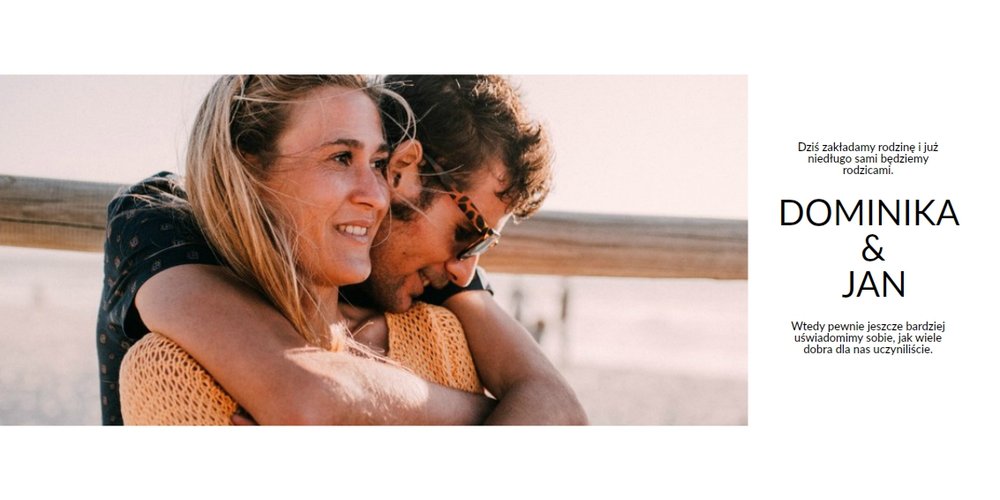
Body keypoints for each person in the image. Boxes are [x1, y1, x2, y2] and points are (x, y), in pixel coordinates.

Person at [98, 75, 587, 425]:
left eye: (375, 162)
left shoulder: (435, 310)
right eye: (469, 231)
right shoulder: (161, 222)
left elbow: (558, 408)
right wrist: (485, 414)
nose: (465, 271)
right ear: (406, 173)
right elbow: (307, 393)